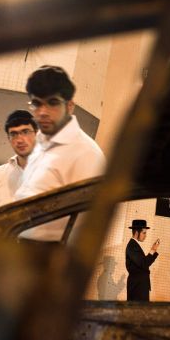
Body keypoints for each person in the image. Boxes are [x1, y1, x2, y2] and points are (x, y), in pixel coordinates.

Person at [14, 65, 106, 241]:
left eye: (53, 103)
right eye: (36, 103)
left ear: (70, 106)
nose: (42, 112)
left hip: (50, 258)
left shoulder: (85, 153)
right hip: (19, 250)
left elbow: (89, 225)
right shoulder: (41, 144)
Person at [125, 219, 160, 302]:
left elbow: (144, 263)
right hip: (137, 287)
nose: (145, 236)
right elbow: (144, 263)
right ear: (137, 232)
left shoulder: (134, 245)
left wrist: (153, 251)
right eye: (144, 233)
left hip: (140, 286)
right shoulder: (132, 246)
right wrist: (153, 250)